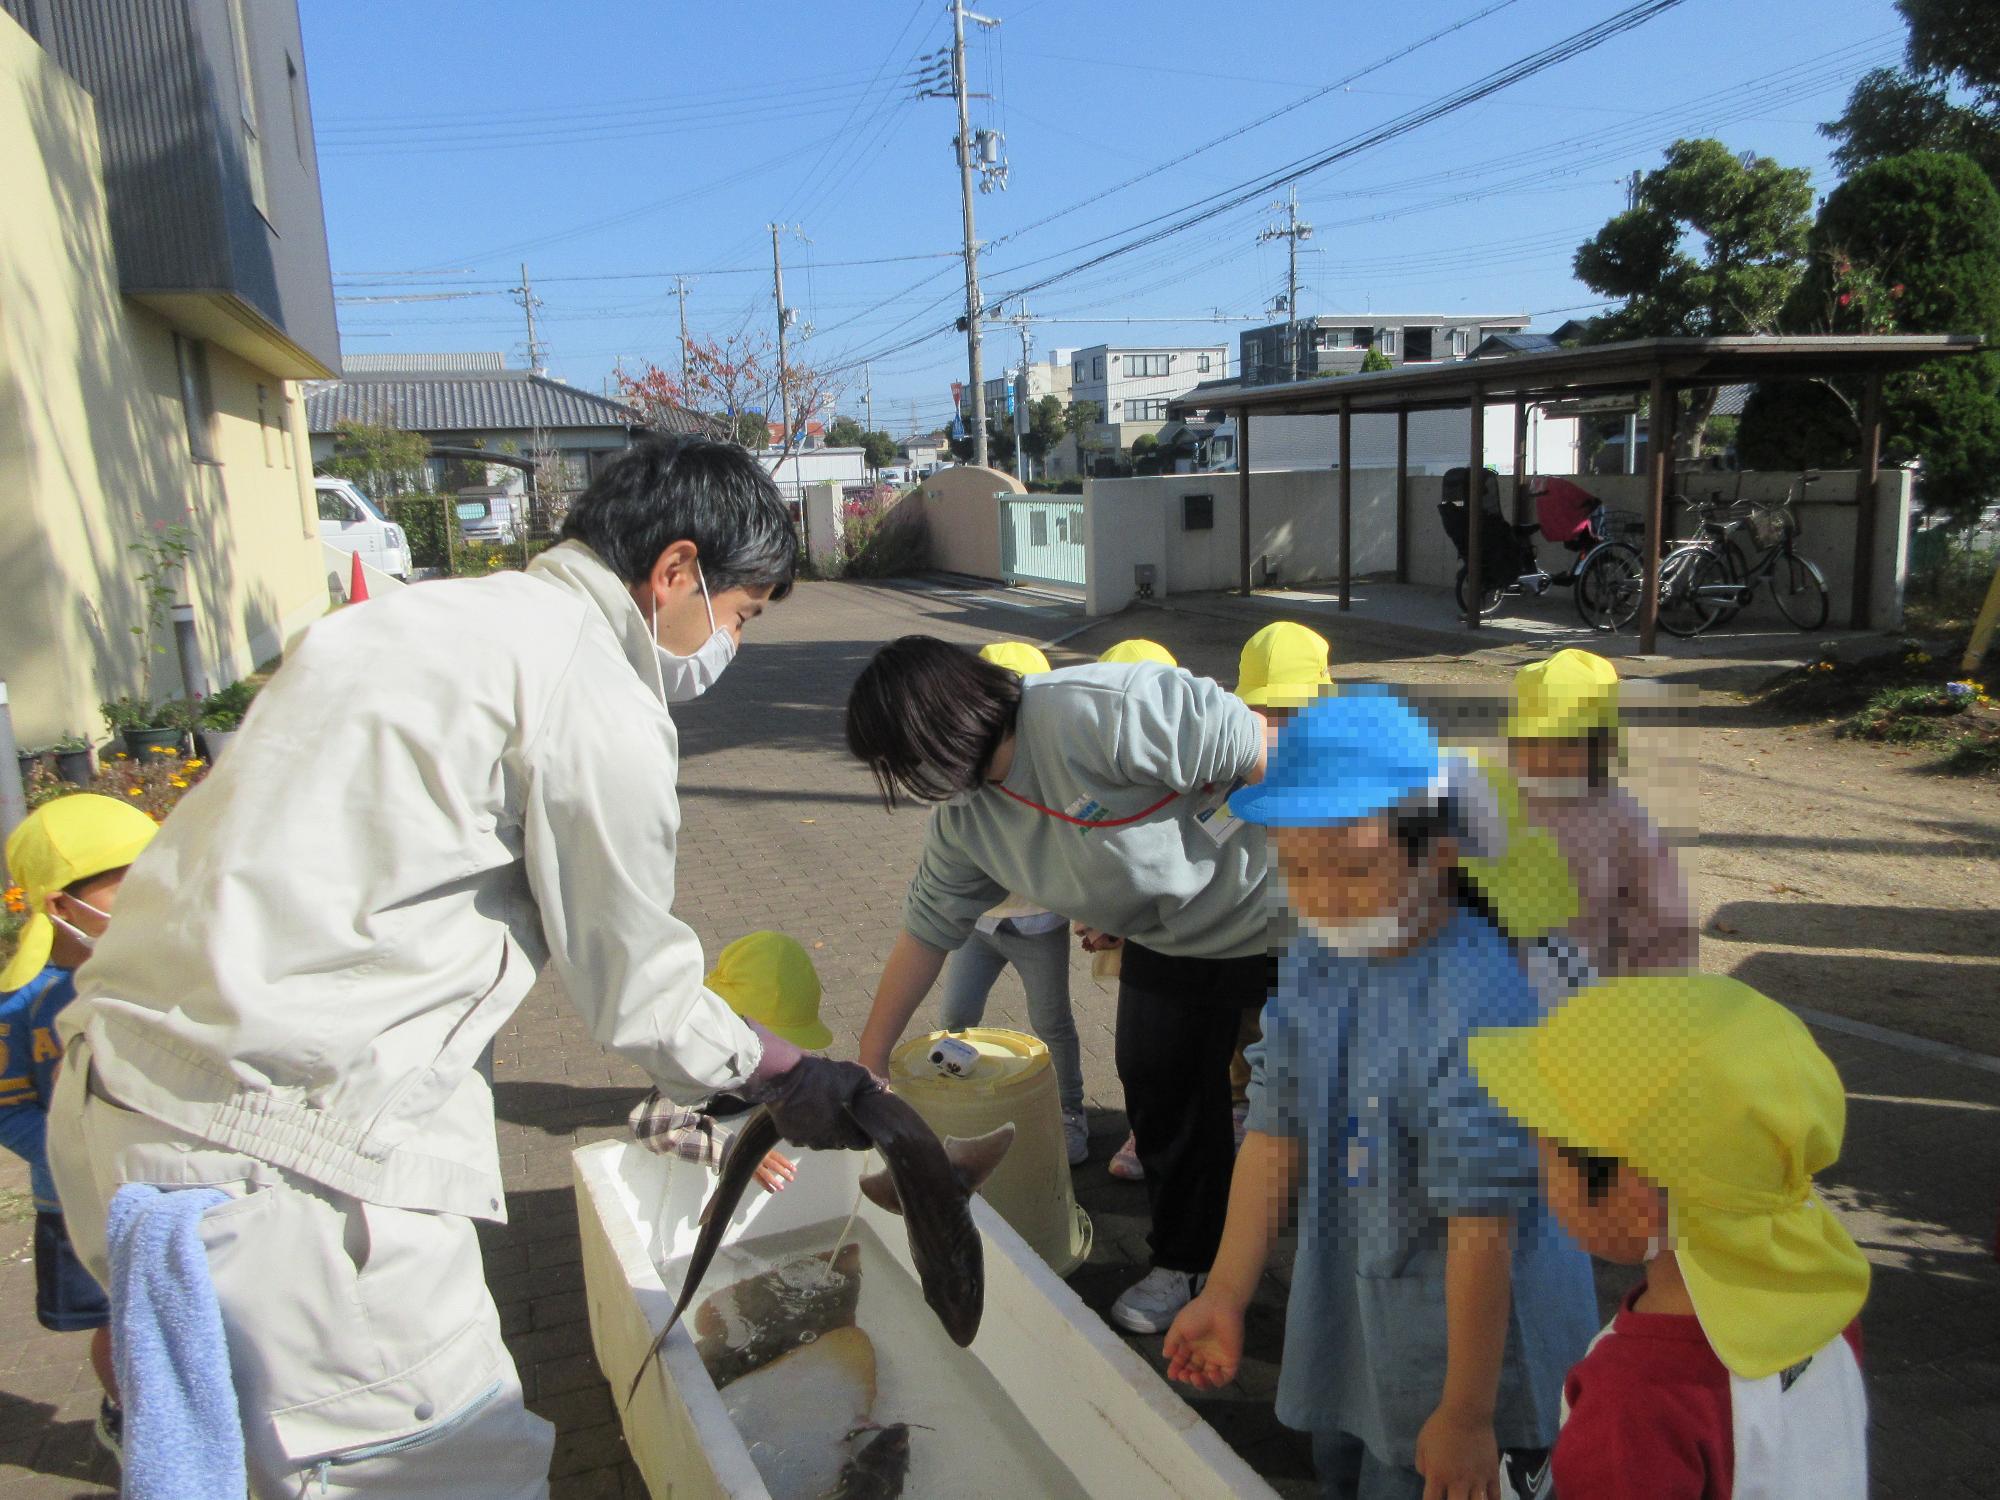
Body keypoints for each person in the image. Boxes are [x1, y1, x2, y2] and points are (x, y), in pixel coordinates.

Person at [47, 435, 882, 1500]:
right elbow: (638, 989)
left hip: (114, 1105)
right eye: (739, 615)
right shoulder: (592, 689)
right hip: (285, 1168)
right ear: (675, 572)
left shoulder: (401, 619)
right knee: (440, 1473)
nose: (729, 646)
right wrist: (785, 1072)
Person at [1164, 691, 1598, 1500]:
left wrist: (1467, 1414)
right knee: (1344, 1462)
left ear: (1435, 849)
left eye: (1354, 866)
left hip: (1474, 1342)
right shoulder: (1318, 955)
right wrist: (1225, 1290)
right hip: (1357, 1303)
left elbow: (1483, 1221)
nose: (1323, 894)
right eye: (1297, 867)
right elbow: (1274, 1128)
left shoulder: (1481, 996)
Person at [846, 636, 1271, 1334]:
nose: (908, 781)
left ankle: (1338, 1273)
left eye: (904, 760)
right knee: (1158, 1082)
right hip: (1172, 939)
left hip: (1286, 912)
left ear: (939, 725)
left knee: (1319, 1098)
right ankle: (1187, 1259)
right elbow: (926, 929)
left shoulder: (1103, 710)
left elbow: (1267, 752)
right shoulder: (964, 819)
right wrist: (869, 1057)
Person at [1468, 974, 1871, 1499]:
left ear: (1636, 1201)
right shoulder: (1821, 1293)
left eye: (1546, 1145)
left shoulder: (1633, 1400)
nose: (1536, 1165)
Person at [0, 795, 155, 1462]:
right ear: (62, 906)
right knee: (114, 1323)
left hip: (158, 1189)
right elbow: (10, 1110)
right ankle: (127, 1412)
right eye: (130, 878)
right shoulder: (21, 1006)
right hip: (75, 1204)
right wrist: (83, 1155)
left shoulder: (152, 968)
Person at [927, 642, 1090, 1166]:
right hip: (981, 927)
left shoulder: (1057, 774)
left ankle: (1070, 1112)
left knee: (1052, 1023)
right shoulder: (966, 781)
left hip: (1038, 926)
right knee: (956, 1015)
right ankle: (952, 1100)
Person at [1505, 649, 1694, 976]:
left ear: (1601, 747)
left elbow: (1660, 921)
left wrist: (1651, 997)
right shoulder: (1489, 801)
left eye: (1567, 744)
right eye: (1533, 741)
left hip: (1581, 995)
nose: (1547, 758)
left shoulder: (1623, 821)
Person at [1223, 621, 1334, 1153]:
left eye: (1293, 712)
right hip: (1246, 932)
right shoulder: (1230, 764)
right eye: (1267, 712)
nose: (1280, 726)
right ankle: (1244, 1107)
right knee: (1246, 1028)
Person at [628, 930, 832, 1193]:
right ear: (741, 1029)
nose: (790, 1049)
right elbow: (652, 1126)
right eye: (781, 1039)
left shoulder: (774, 1046)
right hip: (709, 1102)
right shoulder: (702, 1060)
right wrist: (735, 1152)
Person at [1090, 637, 1186, 1183]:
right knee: (1140, 1051)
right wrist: (1100, 913)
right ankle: (1145, 1125)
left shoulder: (1194, 765)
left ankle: (1177, 1130)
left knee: (1191, 1049)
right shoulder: (1098, 767)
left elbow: (1186, 862)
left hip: (1192, 940)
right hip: (1134, 936)